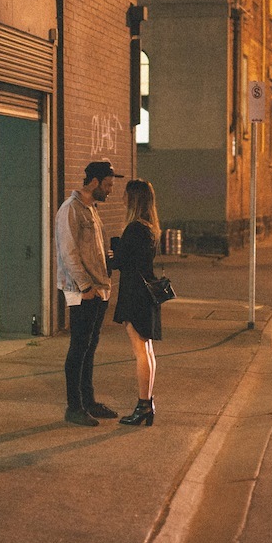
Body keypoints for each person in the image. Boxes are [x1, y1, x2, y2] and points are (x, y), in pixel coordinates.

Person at [55, 160, 123, 427]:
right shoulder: (70, 209)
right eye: (107, 185)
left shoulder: (91, 209)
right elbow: (68, 252)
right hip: (82, 291)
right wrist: (85, 287)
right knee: (78, 348)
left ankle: (89, 401)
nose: (109, 191)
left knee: (89, 347)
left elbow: (94, 249)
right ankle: (74, 407)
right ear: (94, 181)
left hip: (98, 289)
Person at [111, 179, 161, 427]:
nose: (122, 199)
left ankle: (143, 404)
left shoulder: (134, 229)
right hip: (146, 295)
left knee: (140, 352)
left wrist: (114, 252)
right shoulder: (150, 228)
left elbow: (121, 262)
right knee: (148, 351)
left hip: (134, 294)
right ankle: (147, 403)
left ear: (134, 200)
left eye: (126, 195)